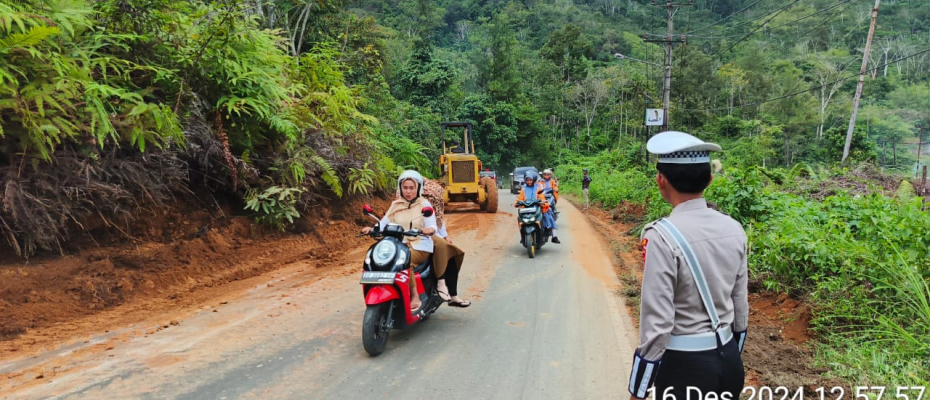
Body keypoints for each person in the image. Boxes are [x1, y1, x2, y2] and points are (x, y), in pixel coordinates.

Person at [628, 131, 748, 400]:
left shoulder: (660, 236)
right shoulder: (734, 228)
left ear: (661, 180)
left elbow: (657, 326)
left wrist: (638, 390)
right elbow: (740, 307)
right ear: (709, 178)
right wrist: (730, 356)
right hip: (728, 360)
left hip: (683, 368)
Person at [361, 170, 437, 311]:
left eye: (411, 188)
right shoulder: (396, 205)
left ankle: (414, 296)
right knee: (377, 261)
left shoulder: (424, 205)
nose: (408, 191)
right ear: (400, 188)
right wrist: (372, 229)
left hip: (419, 244)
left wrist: (429, 229)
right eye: (405, 188)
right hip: (398, 245)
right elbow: (383, 223)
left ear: (418, 188)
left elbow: (432, 224)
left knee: (406, 262)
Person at [405, 179, 471, 308]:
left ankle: (451, 293)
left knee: (451, 252)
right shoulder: (401, 205)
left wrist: (445, 236)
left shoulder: (429, 204)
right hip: (409, 238)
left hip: (428, 236)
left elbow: (438, 220)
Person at [514, 170, 560, 244]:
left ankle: (553, 235)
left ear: (533, 180)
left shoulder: (538, 188)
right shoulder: (523, 189)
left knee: (548, 215)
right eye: (527, 180)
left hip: (537, 207)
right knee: (520, 219)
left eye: (530, 180)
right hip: (526, 208)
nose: (529, 182)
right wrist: (517, 202)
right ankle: (522, 236)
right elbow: (520, 198)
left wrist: (543, 202)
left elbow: (541, 196)